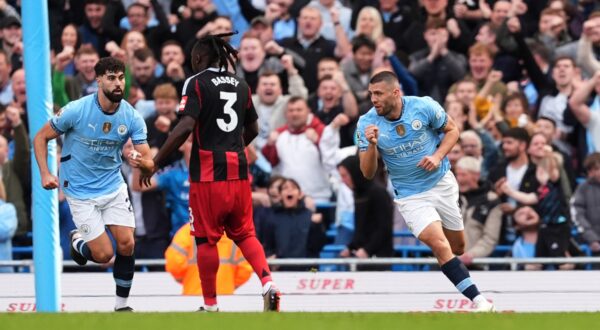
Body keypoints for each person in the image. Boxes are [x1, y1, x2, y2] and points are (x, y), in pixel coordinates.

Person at [139, 32, 280, 313]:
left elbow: (184, 127)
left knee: (205, 239)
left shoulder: (196, 82)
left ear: (201, 57)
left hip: (206, 176)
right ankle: (268, 283)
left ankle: (211, 305)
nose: (191, 62)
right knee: (245, 234)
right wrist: (233, 147)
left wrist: (156, 161)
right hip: (239, 172)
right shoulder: (241, 84)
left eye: (193, 57)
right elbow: (252, 129)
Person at [356, 71, 495, 312]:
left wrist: (437, 155)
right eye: (371, 94)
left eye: (378, 94)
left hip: (441, 183)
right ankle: (481, 302)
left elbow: (452, 130)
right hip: (411, 196)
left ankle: (468, 286)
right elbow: (368, 173)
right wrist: (370, 145)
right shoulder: (366, 123)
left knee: (457, 248)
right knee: (439, 245)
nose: (373, 99)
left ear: (396, 93)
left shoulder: (423, 106)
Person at [33, 57, 152, 312]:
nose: (117, 83)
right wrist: (45, 173)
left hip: (112, 185)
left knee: (127, 243)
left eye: (120, 77)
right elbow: (41, 137)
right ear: (98, 80)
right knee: (103, 255)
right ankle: (78, 240)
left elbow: (149, 161)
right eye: (111, 78)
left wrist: (139, 161)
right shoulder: (76, 110)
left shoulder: (131, 117)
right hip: (79, 190)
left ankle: (122, 307)